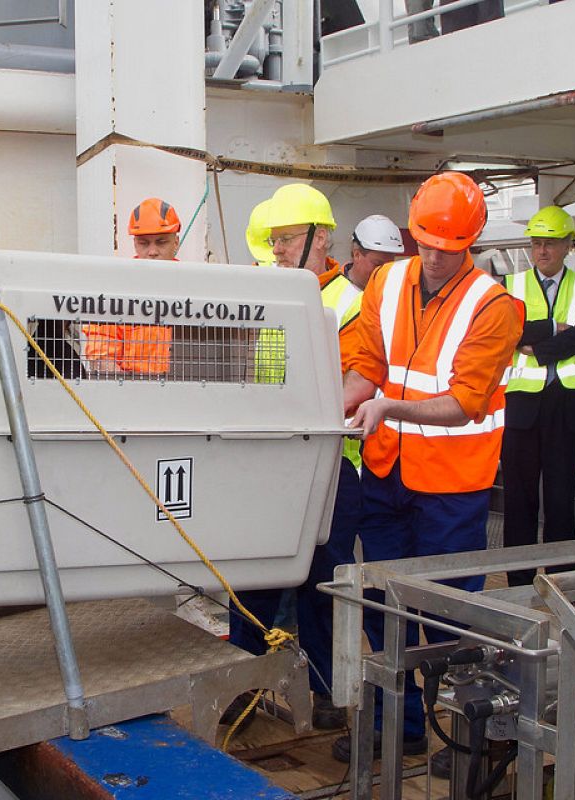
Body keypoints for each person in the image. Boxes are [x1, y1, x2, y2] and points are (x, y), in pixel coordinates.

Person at [332, 172, 523, 764]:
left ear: (472, 242)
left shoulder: (494, 306)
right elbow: (367, 363)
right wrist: (328, 406)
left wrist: (387, 405)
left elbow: (465, 401)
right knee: (388, 606)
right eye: (427, 244)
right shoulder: (387, 281)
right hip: (387, 472)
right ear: (413, 234)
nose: (437, 257)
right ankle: (403, 725)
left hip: (451, 487)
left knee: (450, 616)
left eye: (451, 247)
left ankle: (475, 740)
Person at [234, 183, 362, 731]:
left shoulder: (348, 303)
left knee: (323, 582)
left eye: (287, 239)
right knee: (253, 572)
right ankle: (237, 686)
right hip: (273, 460)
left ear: (320, 237)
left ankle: (330, 691)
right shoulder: (275, 295)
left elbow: (344, 383)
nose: (279, 248)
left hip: (334, 465)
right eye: (275, 240)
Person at [502, 206, 575, 586]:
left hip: (565, 406)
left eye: (551, 244)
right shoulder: (510, 284)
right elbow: (509, 331)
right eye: (537, 244)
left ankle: (561, 585)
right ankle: (519, 585)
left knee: (560, 504)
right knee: (519, 503)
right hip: (521, 405)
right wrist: (554, 329)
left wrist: (537, 346)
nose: (542, 251)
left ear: (569, 245)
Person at [80, 198, 179, 377]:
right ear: (135, 244)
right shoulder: (116, 292)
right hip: (134, 391)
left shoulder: (193, 287)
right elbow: (101, 355)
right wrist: (130, 391)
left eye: (161, 242)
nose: (152, 252)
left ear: (176, 243)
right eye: (144, 243)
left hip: (185, 391)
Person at [343, 215, 405, 291]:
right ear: (357, 255)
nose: (384, 272)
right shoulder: (332, 290)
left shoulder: (395, 292)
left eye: (389, 266)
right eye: (378, 264)